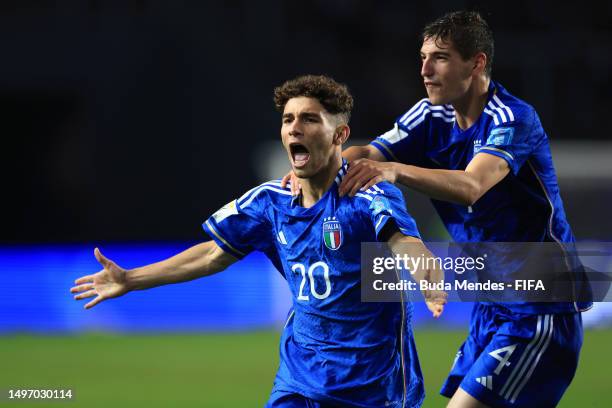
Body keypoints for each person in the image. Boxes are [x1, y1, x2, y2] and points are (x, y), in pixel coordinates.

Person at [71, 75, 446, 408]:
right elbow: (213, 255)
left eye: (309, 119)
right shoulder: (270, 202)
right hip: (299, 380)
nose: (294, 128)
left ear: (339, 135)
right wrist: (131, 279)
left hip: (372, 386)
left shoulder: (366, 193)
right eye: (288, 120)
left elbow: (403, 242)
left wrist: (427, 275)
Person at [280, 11, 591, 408]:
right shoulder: (429, 115)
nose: (425, 70)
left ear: (477, 63)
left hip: (541, 303)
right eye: (422, 58)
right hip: (492, 303)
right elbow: (366, 154)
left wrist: (394, 170)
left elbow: (472, 186)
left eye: (440, 57)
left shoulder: (513, 118)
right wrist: (316, 166)